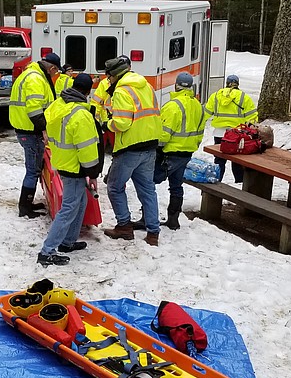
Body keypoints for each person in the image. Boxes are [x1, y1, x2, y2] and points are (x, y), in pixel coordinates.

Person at [37, 73, 102, 266]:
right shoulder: (81, 115)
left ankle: (68, 242)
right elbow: (87, 147)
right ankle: (47, 250)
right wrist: (92, 173)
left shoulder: (59, 104)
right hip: (74, 167)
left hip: (63, 161)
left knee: (80, 203)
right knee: (68, 208)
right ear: (88, 91)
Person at [100, 57, 163, 246]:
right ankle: (153, 233)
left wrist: (106, 124)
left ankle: (124, 226)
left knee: (114, 186)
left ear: (114, 75)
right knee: (147, 189)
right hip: (150, 144)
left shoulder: (121, 91)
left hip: (130, 147)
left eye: (109, 76)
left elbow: (122, 122)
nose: (108, 80)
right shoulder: (146, 85)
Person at [8, 52, 63, 218]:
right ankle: (25, 207)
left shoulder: (33, 75)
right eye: (56, 71)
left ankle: (27, 202)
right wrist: (44, 129)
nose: (56, 75)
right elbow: (34, 110)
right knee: (32, 170)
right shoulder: (36, 79)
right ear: (52, 68)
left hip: (28, 130)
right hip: (30, 131)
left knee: (34, 169)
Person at [155, 72, 206, 230]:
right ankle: (173, 219)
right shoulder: (198, 105)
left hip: (170, 153)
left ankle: (147, 216)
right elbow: (201, 131)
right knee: (176, 186)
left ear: (176, 85)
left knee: (148, 182)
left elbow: (164, 134)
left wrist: (157, 147)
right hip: (186, 154)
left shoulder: (173, 106)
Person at [204, 73, 258, 184]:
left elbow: (206, 113)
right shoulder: (244, 97)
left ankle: (217, 181)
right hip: (237, 135)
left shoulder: (216, 96)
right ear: (237, 84)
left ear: (226, 84)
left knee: (219, 160)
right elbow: (252, 117)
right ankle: (239, 182)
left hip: (219, 134)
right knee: (237, 160)